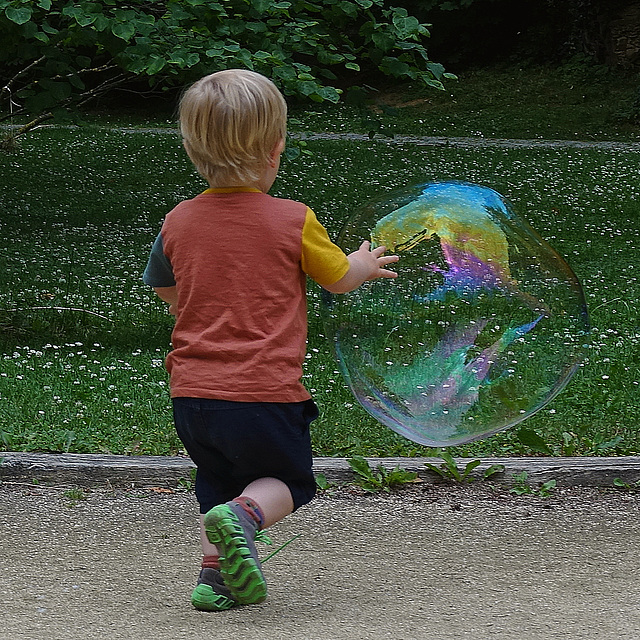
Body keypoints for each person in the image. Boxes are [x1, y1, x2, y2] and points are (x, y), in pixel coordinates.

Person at [142, 69, 398, 611]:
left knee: (216, 484)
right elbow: (338, 278)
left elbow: (167, 287)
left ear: (191, 147)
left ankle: (217, 581)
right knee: (283, 481)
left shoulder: (178, 222)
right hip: (263, 391)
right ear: (276, 147)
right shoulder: (292, 220)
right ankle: (246, 519)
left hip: (191, 395)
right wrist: (364, 263)